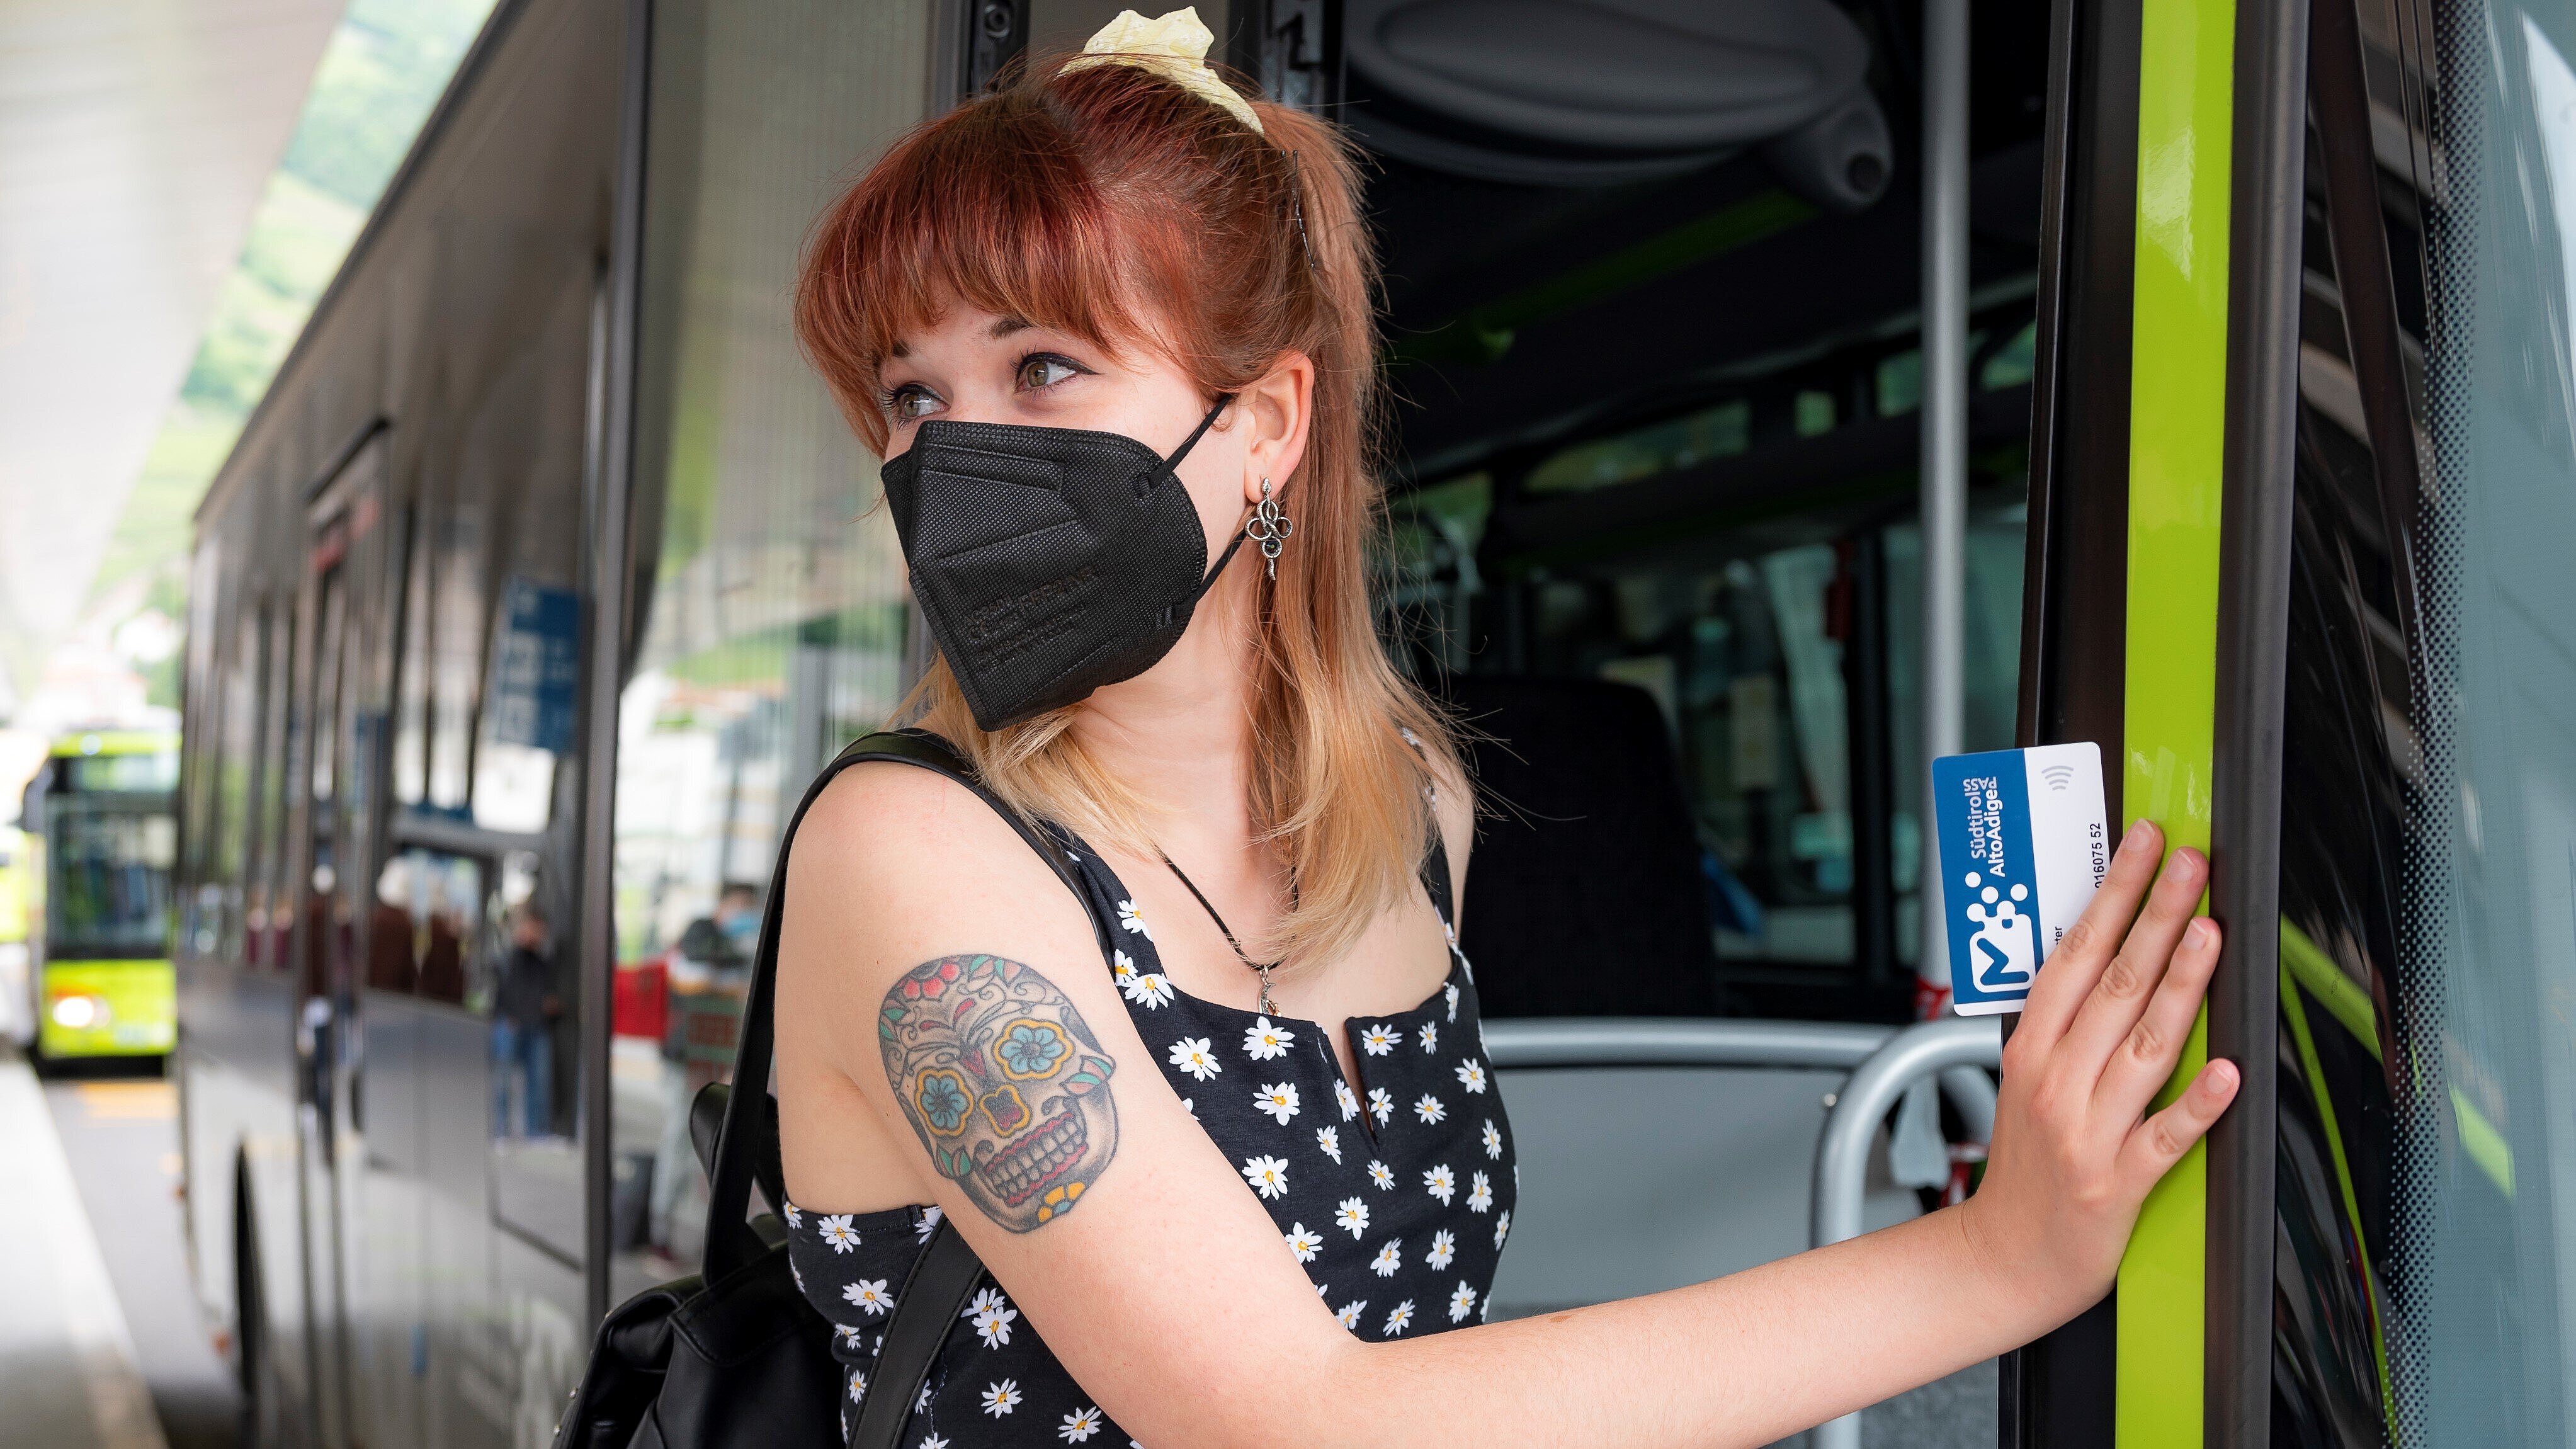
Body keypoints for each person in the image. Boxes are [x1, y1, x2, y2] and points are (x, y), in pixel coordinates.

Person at [769, 11, 2240, 1446]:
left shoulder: (1411, 817)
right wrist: (1996, 1258)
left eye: (1039, 367)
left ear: (1267, 422)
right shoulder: (907, 846)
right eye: (910, 395)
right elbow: (1288, 1418)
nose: (951, 458)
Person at [492, 902, 560, 1139]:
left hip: (536, 1025)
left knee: (538, 1083)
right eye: (532, 928)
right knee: (503, 1082)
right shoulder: (510, 958)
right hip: (511, 1024)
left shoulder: (541, 962)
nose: (535, 934)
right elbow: (507, 991)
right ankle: (500, 1129)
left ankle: (535, 1131)